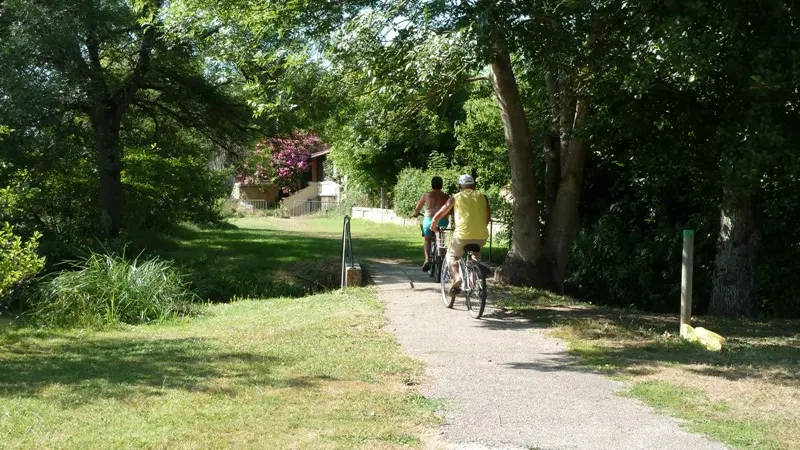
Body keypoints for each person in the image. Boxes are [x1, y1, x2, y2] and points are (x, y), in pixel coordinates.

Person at [430, 174, 490, 295]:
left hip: (462, 236)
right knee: (475, 256)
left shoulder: (456, 197)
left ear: (460, 186)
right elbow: (488, 216)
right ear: (473, 185)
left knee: (452, 257)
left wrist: (433, 225)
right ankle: (474, 282)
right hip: (481, 236)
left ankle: (457, 278)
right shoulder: (483, 197)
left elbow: (441, 212)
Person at [413, 176, 450, 271]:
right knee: (441, 239)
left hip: (429, 220)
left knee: (427, 239)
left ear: (432, 184)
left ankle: (427, 259)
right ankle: (443, 256)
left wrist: (416, 213)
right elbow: (450, 209)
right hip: (443, 220)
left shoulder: (427, 195)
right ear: (442, 185)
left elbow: (418, 207)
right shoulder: (446, 196)